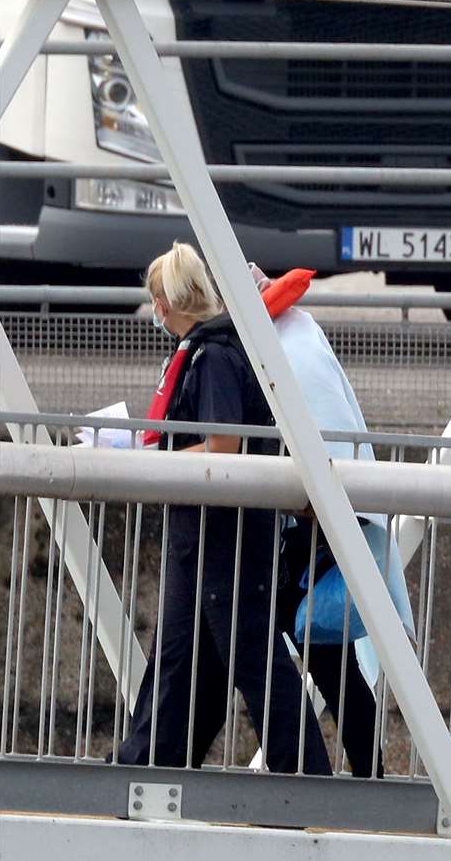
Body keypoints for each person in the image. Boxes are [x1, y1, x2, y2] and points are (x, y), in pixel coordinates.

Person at [119, 242, 331, 776]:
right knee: (187, 655)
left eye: (158, 300)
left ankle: (298, 770)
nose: (156, 312)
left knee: (247, 657)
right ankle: (147, 763)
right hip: (215, 534)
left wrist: (150, 455)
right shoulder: (221, 350)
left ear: (171, 302)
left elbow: (222, 445)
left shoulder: (211, 357)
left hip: (224, 536)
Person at [259, 260, 413, 779]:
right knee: (326, 654)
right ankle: (363, 770)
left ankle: (321, 768)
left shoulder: (284, 345)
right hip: (332, 515)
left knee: (290, 643)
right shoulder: (299, 335)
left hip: (318, 519)